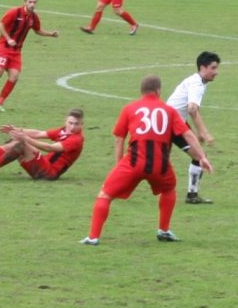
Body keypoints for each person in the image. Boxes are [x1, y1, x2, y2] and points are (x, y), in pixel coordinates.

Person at [81, 75, 213, 245]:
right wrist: (202, 157)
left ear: (141, 91)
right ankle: (164, 230)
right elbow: (187, 134)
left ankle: (93, 237)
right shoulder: (169, 111)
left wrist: (118, 165)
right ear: (158, 91)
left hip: (133, 163)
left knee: (105, 195)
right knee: (169, 189)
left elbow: (119, 139)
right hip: (161, 165)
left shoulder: (130, 108)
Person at [0, 0, 59, 112]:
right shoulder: (15, 12)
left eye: (34, 2)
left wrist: (50, 34)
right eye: (30, 2)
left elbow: (37, 30)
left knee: (14, 76)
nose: (32, 4)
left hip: (16, 52)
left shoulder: (33, 17)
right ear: (25, 2)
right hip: (4, 48)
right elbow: (0, 25)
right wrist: (8, 39)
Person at [0, 109, 85, 180]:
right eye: (70, 123)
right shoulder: (63, 130)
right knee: (14, 141)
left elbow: (49, 147)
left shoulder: (76, 140)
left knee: (21, 143)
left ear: (81, 125)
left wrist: (24, 138)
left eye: (76, 124)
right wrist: (18, 130)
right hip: (43, 164)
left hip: (48, 173)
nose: (72, 127)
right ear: (66, 121)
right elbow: (39, 133)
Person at [166, 51, 221, 204]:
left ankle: (192, 195)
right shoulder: (197, 84)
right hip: (171, 124)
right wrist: (204, 132)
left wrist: (198, 131)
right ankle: (192, 195)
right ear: (202, 68)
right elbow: (191, 109)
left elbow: (193, 107)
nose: (216, 72)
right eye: (213, 68)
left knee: (197, 155)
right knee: (199, 156)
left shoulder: (196, 81)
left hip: (173, 122)